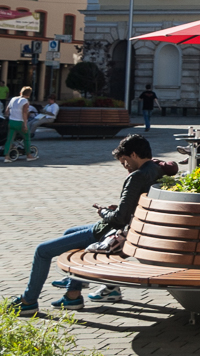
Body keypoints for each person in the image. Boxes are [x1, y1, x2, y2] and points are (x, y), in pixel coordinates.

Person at [6, 133, 162, 315]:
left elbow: (118, 218)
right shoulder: (156, 169)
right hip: (132, 230)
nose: (125, 166)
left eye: (125, 161)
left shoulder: (136, 177)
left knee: (42, 251)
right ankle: (73, 293)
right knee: (70, 231)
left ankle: (28, 301)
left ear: (134, 155)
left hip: (108, 231)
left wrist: (103, 211)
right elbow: (128, 209)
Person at [5, 86, 36, 162]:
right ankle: (29, 155)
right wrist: (25, 124)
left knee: (9, 140)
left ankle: (6, 157)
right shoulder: (25, 101)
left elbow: (7, 110)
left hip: (11, 121)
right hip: (20, 122)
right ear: (29, 95)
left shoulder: (13, 99)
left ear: (20, 92)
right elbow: (24, 113)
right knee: (27, 138)